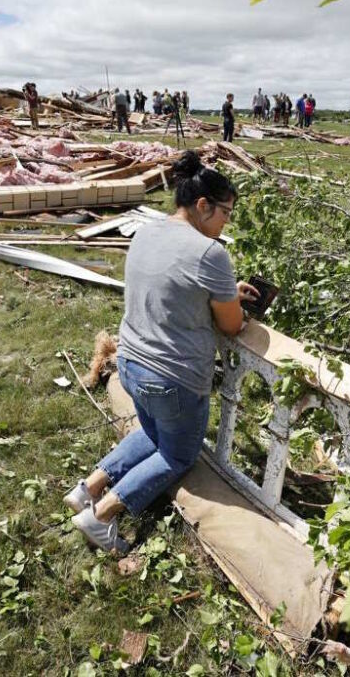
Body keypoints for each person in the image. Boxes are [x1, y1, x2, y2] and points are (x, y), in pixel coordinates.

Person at [65, 150, 260, 554]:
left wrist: (225, 292)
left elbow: (174, 291)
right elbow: (230, 324)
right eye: (225, 212)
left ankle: (87, 488)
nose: (227, 222)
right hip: (171, 379)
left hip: (132, 363)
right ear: (203, 206)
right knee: (178, 454)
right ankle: (100, 516)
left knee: (153, 434)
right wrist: (234, 305)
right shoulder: (212, 253)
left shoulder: (146, 232)